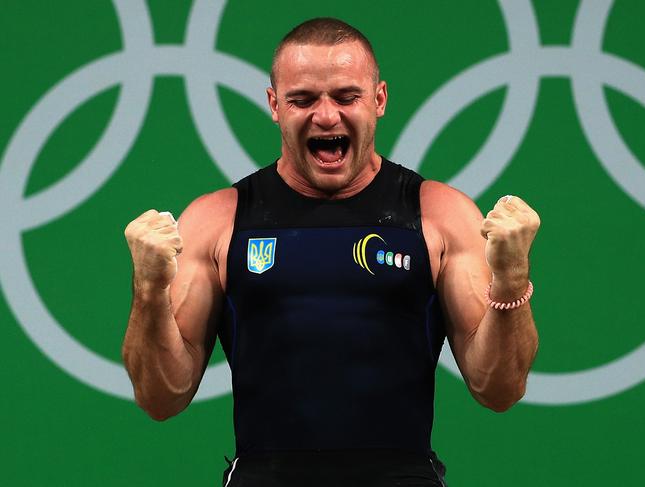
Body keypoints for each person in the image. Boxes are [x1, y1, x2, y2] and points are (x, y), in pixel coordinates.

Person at [122, 18, 540, 487]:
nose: (325, 116)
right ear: (274, 105)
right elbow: (160, 398)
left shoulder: (438, 214)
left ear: (379, 100)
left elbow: (499, 389)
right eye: (302, 99)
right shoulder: (218, 220)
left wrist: (511, 280)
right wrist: (148, 291)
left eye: (346, 97)